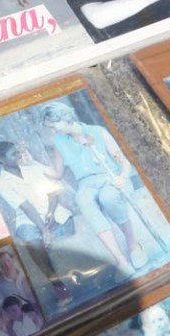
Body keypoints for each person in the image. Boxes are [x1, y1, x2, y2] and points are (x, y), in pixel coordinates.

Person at [41, 100, 147, 277]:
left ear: (65, 118)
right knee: (83, 201)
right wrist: (32, 165)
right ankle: (121, 260)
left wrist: (122, 177)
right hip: (86, 184)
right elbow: (58, 173)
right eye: (49, 128)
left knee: (108, 197)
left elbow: (123, 162)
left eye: (54, 126)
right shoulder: (59, 142)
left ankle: (133, 244)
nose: (53, 131)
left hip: (112, 178)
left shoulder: (98, 132)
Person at [0, 141, 73, 306]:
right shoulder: (1, 183)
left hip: (52, 210)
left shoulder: (31, 167)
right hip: (28, 219)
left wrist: (50, 212)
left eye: (17, 152)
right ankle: (58, 285)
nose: (18, 156)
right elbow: (26, 207)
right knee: (33, 243)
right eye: (13, 154)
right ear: (1, 159)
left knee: (67, 227)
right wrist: (44, 230)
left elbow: (53, 191)